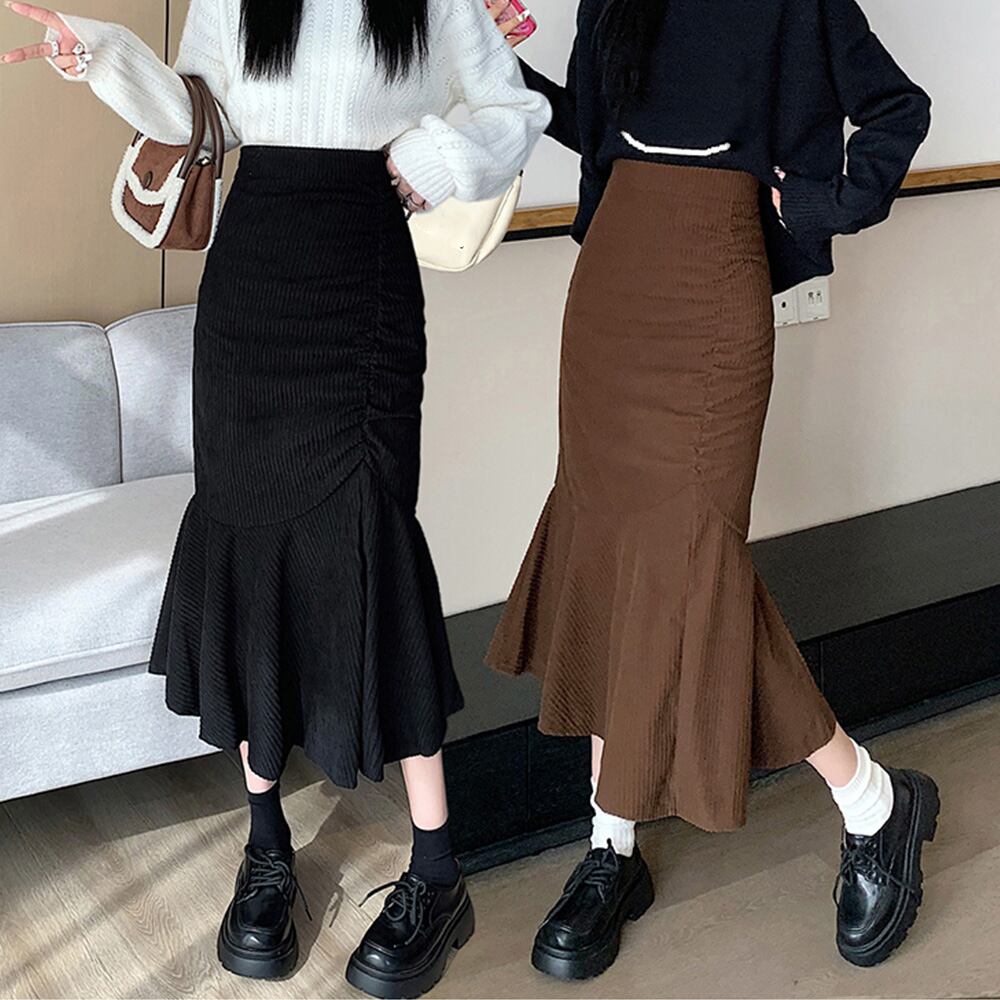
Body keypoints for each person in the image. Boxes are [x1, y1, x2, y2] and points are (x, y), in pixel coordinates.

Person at [2, 0, 549, 994]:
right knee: (248, 543)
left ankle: (437, 872)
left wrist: (429, 159)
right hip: (251, 282)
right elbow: (194, 111)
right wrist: (105, 56)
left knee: (371, 544)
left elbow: (512, 110)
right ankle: (266, 848)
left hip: (362, 286)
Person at [487, 0, 938, 979]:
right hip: (613, 281)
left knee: (694, 560)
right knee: (604, 545)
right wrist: (498, 69)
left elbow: (897, 108)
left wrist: (822, 204)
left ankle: (875, 801)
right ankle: (610, 844)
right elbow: (595, 124)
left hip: (713, 274)